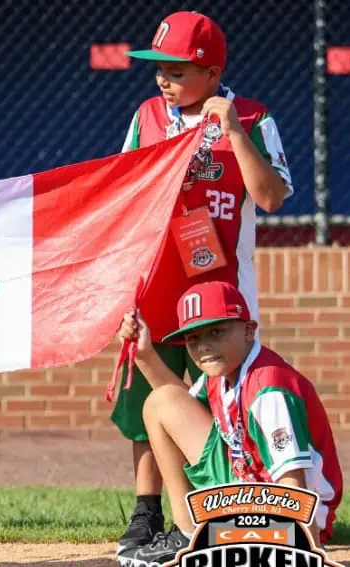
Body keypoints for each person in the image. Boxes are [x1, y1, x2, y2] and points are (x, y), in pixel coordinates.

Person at [111, 11, 294, 552]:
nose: (164, 79)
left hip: (220, 292)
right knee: (147, 400)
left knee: (215, 402)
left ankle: (203, 517)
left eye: (178, 69)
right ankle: (147, 515)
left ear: (213, 73)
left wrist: (234, 130)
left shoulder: (254, 117)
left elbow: (271, 196)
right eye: (157, 69)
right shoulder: (147, 116)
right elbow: (123, 193)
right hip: (156, 285)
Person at [115, 281, 342, 566]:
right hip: (247, 492)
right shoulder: (222, 372)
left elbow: (293, 481)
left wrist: (300, 550)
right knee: (159, 402)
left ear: (249, 330)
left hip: (289, 512)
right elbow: (176, 406)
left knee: (162, 402)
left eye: (217, 332)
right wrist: (146, 354)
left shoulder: (268, 389)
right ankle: (189, 534)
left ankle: (226, 537)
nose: (204, 346)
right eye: (193, 338)